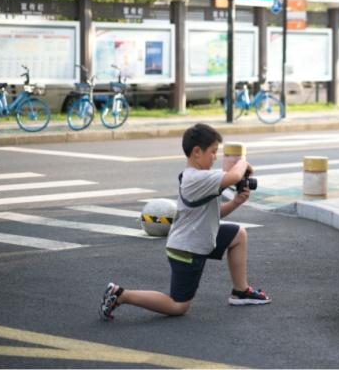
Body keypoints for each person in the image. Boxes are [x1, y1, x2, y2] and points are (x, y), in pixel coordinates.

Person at [99, 123, 271, 320]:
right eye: (213, 152)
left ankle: (241, 291)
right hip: (186, 251)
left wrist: (236, 202)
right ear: (197, 152)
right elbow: (233, 176)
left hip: (200, 239)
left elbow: (214, 215)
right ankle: (121, 295)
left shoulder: (201, 178)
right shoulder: (196, 178)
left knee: (238, 234)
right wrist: (242, 162)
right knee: (178, 305)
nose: (215, 157)